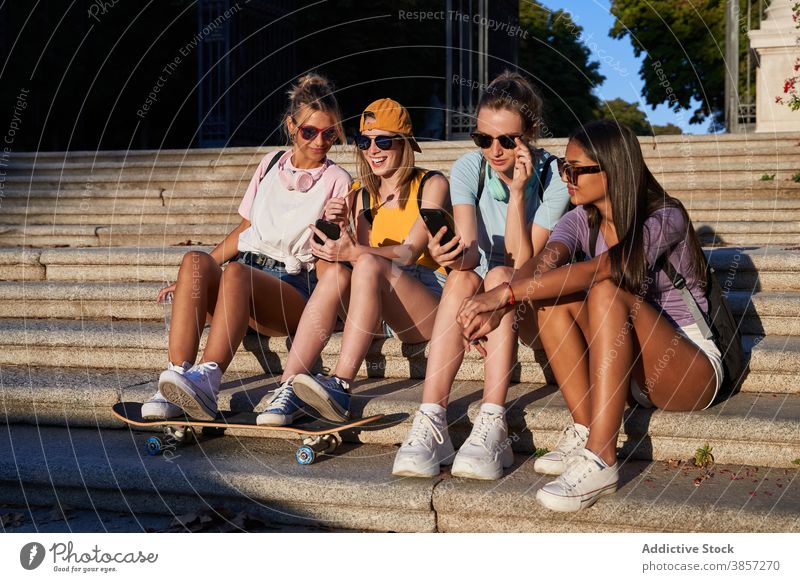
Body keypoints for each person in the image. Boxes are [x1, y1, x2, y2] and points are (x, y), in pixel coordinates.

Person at [457, 120, 724, 511]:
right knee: (552, 297)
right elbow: (542, 266)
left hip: (688, 368)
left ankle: (602, 457)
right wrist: (500, 304)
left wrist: (504, 293)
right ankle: (586, 427)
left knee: (603, 290)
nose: (567, 177)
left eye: (577, 169)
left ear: (613, 168)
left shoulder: (665, 216)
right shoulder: (580, 219)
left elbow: (602, 269)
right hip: (630, 369)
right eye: (565, 167)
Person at [141, 73, 352, 421]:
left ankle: (208, 383)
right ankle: (177, 379)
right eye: (309, 132)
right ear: (291, 126)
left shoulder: (338, 179)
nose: (320, 141)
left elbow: (336, 249)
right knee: (194, 261)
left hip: (292, 289)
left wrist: (341, 223)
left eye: (329, 133)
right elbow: (246, 228)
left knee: (237, 272)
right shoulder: (270, 163)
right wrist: (192, 284)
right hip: (241, 284)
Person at [391, 71, 570, 480]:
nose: (495, 150)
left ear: (532, 132)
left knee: (501, 275)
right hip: (480, 292)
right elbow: (470, 252)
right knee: (462, 278)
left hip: (528, 294)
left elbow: (524, 263)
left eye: (507, 140)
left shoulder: (553, 177)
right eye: (483, 139)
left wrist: (519, 193)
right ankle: (432, 419)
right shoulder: (470, 167)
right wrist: (446, 253)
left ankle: (493, 424)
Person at [256, 98, 450, 426]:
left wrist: (355, 253)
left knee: (367, 264)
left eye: (383, 141)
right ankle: (288, 385)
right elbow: (355, 261)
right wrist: (338, 234)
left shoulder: (432, 184)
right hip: (377, 304)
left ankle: (341, 383)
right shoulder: (360, 193)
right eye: (364, 141)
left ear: (405, 143)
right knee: (334, 274)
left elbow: (407, 253)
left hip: (426, 301)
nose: (372, 149)